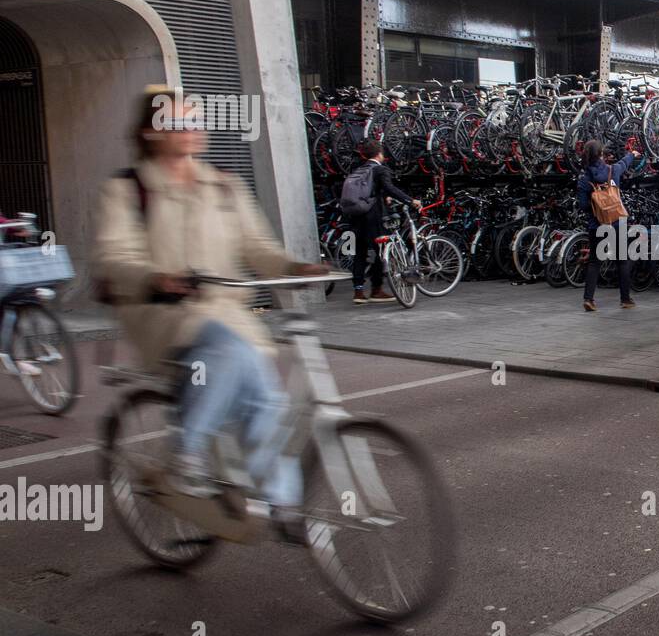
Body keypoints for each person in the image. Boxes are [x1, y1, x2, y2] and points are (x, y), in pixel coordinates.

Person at [92, 87, 328, 539]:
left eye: (194, 122)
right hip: (162, 314)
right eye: (176, 123)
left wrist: (293, 267)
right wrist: (156, 277)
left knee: (265, 395)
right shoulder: (126, 191)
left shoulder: (223, 184)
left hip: (225, 314)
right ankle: (187, 453)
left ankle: (280, 502)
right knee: (233, 356)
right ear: (149, 132)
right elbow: (113, 256)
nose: (190, 131)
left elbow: (256, 246)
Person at [344, 138, 421, 304]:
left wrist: (382, 196)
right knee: (381, 252)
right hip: (373, 218)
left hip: (355, 216)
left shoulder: (357, 169)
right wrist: (410, 200)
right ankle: (376, 289)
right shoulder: (380, 170)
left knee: (359, 253)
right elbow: (389, 188)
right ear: (379, 154)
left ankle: (358, 292)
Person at [577, 139, 640, 311]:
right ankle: (625, 299)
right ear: (601, 154)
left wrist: (596, 209)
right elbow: (624, 163)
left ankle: (589, 299)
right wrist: (632, 154)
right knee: (622, 261)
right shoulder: (613, 171)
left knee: (594, 262)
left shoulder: (584, 180)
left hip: (597, 225)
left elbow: (583, 205)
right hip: (617, 222)